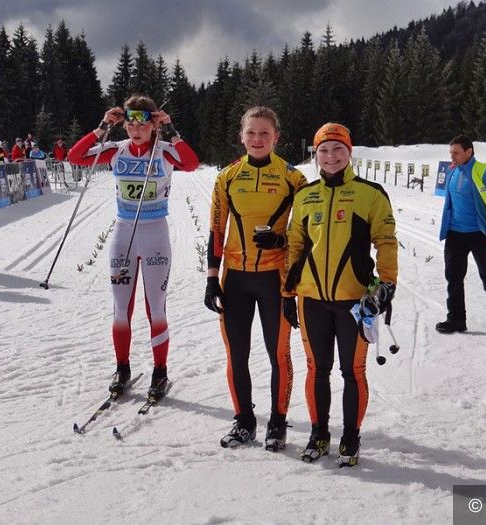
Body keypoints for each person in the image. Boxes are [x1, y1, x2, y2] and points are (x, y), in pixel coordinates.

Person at [68, 93, 199, 399]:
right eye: (130, 123)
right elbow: (75, 157)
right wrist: (103, 127)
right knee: (120, 308)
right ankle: (122, 368)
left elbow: (192, 163)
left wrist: (171, 130)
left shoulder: (165, 151)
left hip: (155, 236)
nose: (136, 130)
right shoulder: (116, 150)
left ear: (153, 124)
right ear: (124, 124)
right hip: (124, 235)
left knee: (156, 308)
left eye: (143, 123)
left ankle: (160, 371)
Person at [284, 123, 398, 467]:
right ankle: (319, 434)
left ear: (349, 152)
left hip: (354, 301)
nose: (331, 156)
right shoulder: (306, 196)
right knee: (317, 368)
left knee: (353, 370)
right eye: (323, 150)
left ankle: (351, 436)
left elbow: (386, 240)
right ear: (315, 155)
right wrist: (287, 291)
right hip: (311, 299)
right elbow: (295, 244)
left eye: (338, 149)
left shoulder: (370, 194)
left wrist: (387, 283)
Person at [204, 106, 307, 450]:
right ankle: (244, 420)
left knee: (278, 354)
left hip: (275, 279)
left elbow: (305, 232)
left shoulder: (294, 178)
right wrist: (211, 277)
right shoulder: (227, 176)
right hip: (235, 278)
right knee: (237, 353)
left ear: (276, 137)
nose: (257, 139)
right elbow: (216, 230)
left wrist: (280, 241)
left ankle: (277, 422)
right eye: (251, 132)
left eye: (265, 133)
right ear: (241, 136)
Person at [435, 134, 486, 334]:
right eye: (451, 153)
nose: (452, 156)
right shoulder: (453, 170)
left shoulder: (483, 171)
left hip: (479, 233)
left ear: (469, 152)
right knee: (453, 276)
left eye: (456, 153)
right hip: (454, 233)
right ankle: (456, 319)